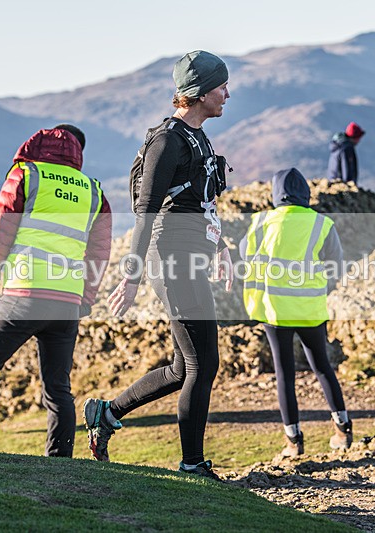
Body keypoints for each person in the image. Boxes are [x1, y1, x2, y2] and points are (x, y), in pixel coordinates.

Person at [85, 50, 233, 481]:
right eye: (221, 86)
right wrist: (130, 276)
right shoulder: (167, 140)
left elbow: (196, 201)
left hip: (191, 255)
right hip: (169, 259)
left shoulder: (199, 137)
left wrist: (220, 245)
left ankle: (106, 413)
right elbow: (147, 210)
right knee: (204, 363)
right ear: (201, 92)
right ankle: (191, 465)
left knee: (183, 367)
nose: (227, 93)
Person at [0, 124, 112, 457]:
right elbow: (100, 252)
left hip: (24, 294)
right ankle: (59, 460)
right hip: (67, 303)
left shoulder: (26, 175)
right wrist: (86, 299)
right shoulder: (93, 191)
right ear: (78, 152)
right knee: (58, 388)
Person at [239, 168, 352, 458]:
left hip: (274, 310)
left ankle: (293, 440)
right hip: (311, 309)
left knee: (284, 375)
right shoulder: (322, 224)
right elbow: (336, 267)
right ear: (306, 193)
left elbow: (245, 254)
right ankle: (342, 428)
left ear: (276, 195)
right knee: (323, 367)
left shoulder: (261, 222)